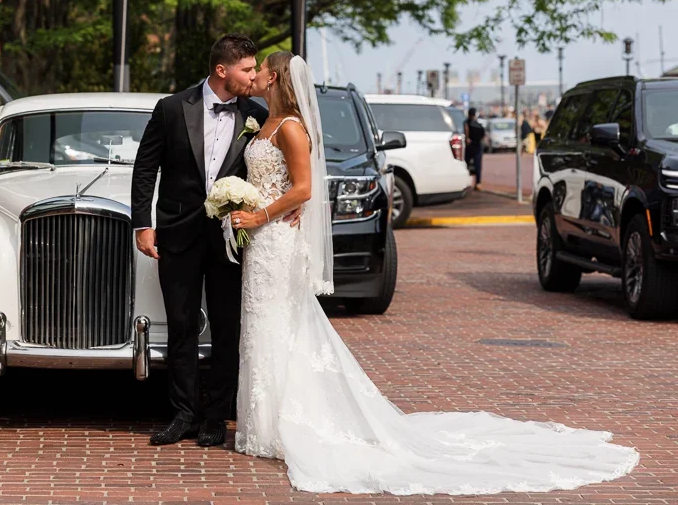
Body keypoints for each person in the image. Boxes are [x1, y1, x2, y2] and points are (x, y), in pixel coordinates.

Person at [227, 52, 638, 495]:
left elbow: (305, 188)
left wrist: (260, 215)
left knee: (280, 325)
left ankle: (287, 423)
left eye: (262, 67)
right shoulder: (262, 122)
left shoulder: (290, 127)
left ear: (276, 76)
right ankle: (261, 425)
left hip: (274, 239)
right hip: (261, 242)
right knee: (261, 327)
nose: (257, 74)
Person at [131, 34, 269, 447]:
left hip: (232, 237)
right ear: (222, 70)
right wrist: (143, 224)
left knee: (228, 328)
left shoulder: (256, 114)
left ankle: (215, 418)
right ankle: (184, 414)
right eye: (247, 69)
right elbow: (145, 168)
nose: (253, 75)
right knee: (182, 327)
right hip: (177, 232)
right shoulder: (172, 108)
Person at [464, 107, 485, 190]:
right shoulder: (479, 125)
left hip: (470, 147)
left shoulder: (466, 123)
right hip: (477, 147)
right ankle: (478, 183)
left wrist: (467, 139)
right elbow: (483, 136)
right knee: (478, 166)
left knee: (466, 165)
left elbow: (466, 131)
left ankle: (466, 182)